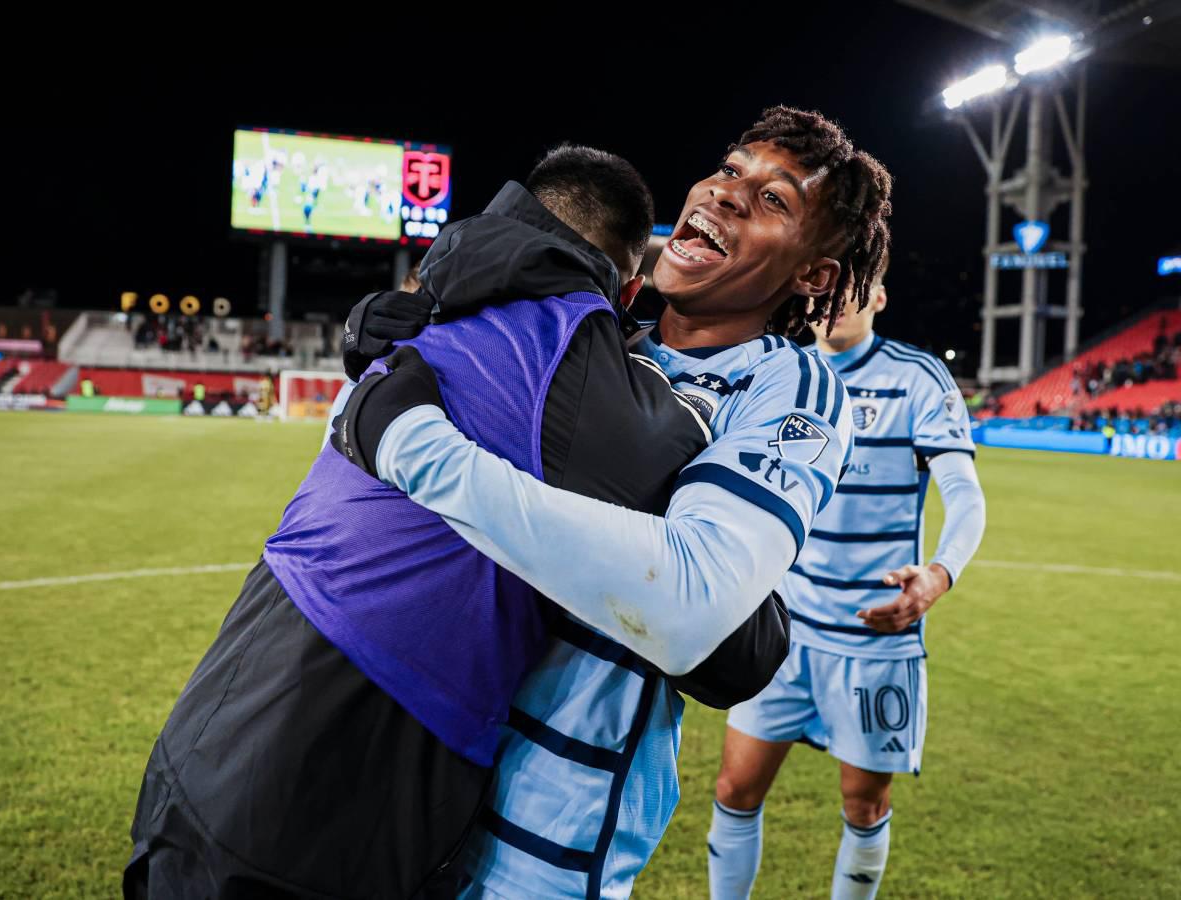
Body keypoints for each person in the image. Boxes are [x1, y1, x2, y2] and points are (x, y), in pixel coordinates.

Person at [124, 145, 781, 900]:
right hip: (340, 751)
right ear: (627, 287)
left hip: (223, 699)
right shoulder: (571, 357)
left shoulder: (435, 298)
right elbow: (734, 650)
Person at [334, 104, 892, 898]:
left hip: (541, 839)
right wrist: (395, 353)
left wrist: (420, 451)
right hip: (405, 768)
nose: (729, 193)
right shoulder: (592, 327)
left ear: (814, 275)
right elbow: (364, 437)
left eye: (775, 200)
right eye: (731, 170)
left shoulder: (788, 388)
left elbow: (691, 602)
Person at [705, 262, 987, 900]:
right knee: (734, 789)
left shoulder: (917, 378)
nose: (835, 302)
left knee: (864, 804)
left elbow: (964, 496)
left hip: (874, 638)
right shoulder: (784, 370)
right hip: (781, 628)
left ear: (879, 297)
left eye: (854, 289)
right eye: (827, 289)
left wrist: (939, 574)